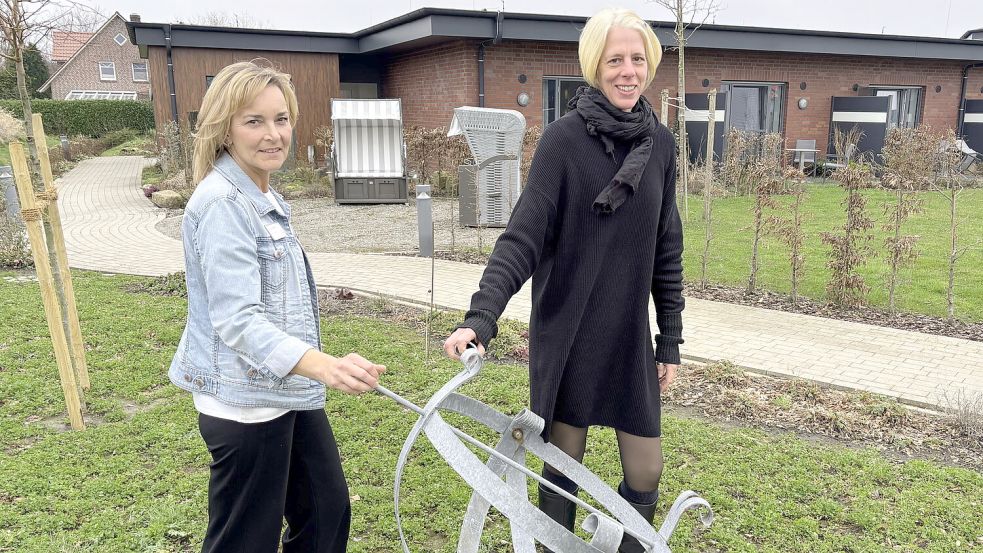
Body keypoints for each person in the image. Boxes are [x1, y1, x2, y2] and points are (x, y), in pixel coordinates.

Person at [443, 8, 682, 552]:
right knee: (563, 471)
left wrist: (669, 338)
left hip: (628, 338)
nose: (627, 71)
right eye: (614, 59)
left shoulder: (661, 145)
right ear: (594, 66)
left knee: (646, 471)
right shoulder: (563, 141)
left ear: (651, 65)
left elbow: (668, 248)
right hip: (570, 335)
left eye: (637, 59)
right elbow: (521, 238)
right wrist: (482, 316)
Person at [169, 60, 386, 553]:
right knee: (245, 539)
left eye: (281, 119)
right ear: (225, 129)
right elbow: (238, 320)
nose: (273, 134)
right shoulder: (223, 203)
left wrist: (314, 370)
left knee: (326, 510)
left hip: (287, 389)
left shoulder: (260, 193)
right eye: (254, 121)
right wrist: (326, 367)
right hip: (245, 403)